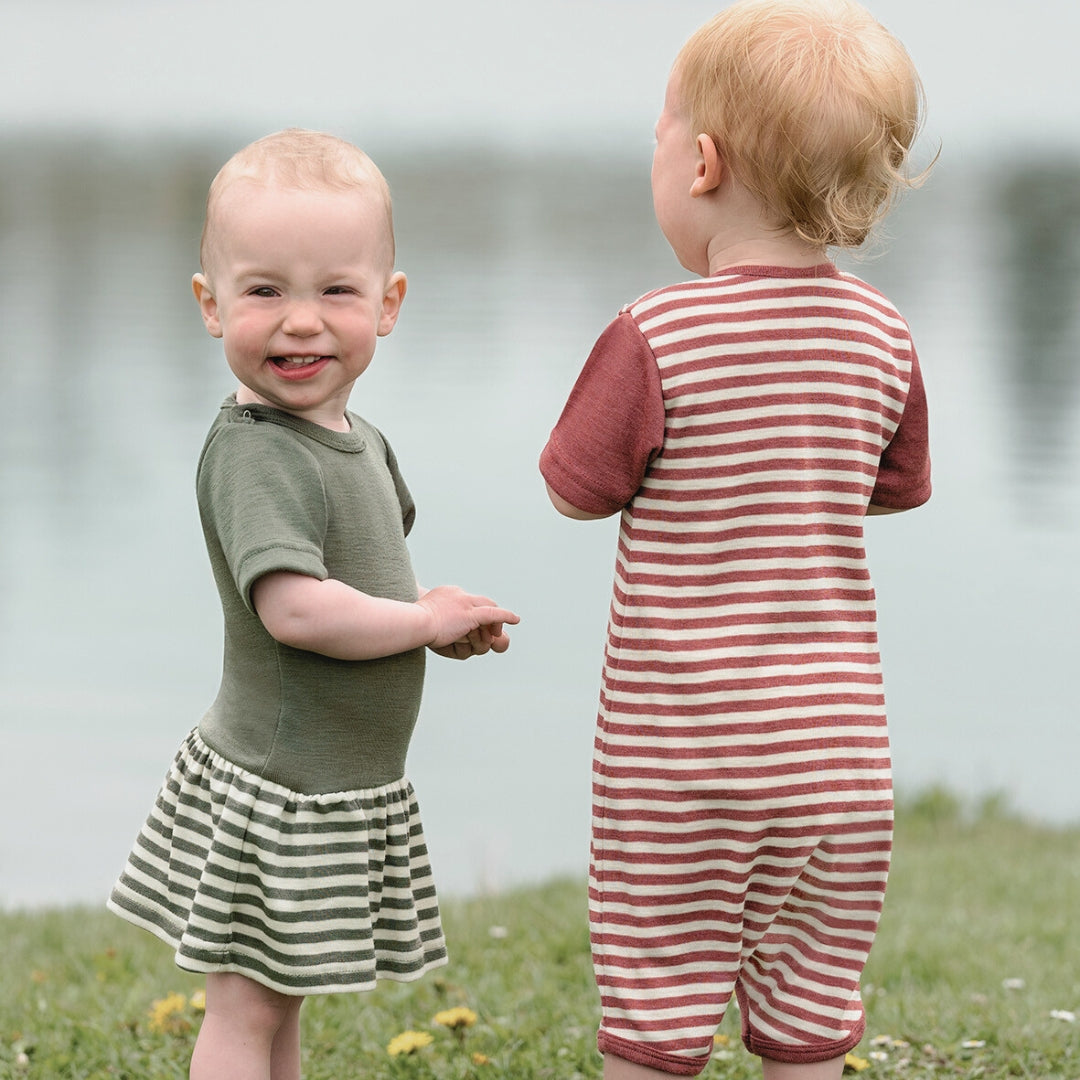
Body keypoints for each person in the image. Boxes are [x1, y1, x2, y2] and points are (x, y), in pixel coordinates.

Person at [540, 2, 932, 1077]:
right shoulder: (883, 334)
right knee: (810, 1008)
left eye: (659, 138)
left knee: (658, 1011)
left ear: (700, 162)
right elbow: (892, 489)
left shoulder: (656, 333)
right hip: (839, 756)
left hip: (686, 756)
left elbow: (575, 490)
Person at [108, 128, 519, 1080]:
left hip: (325, 783)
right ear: (211, 307)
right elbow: (294, 609)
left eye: (335, 290)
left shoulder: (357, 438)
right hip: (279, 785)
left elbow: (359, 588)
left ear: (390, 302)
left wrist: (429, 616)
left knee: (277, 1003)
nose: (301, 321)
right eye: (265, 291)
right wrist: (419, 623)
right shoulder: (257, 451)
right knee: (248, 1010)